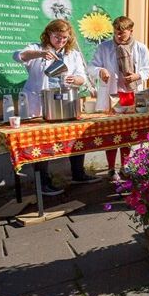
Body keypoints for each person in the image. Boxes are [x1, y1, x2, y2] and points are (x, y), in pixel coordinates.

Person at [14, 20, 99, 194]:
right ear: (48, 34)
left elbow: (81, 77)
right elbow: (18, 55)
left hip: (65, 102)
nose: (61, 40)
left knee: (75, 135)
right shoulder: (37, 49)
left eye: (65, 37)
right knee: (41, 140)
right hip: (39, 103)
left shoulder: (72, 54)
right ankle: (44, 182)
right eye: (57, 36)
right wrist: (39, 54)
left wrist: (75, 80)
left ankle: (78, 173)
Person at [89, 16, 149, 182]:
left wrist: (138, 75)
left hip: (129, 94)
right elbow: (91, 67)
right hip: (111, 93)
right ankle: (110, 168)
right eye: (116, 33)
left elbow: (147, 69)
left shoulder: (140, 48)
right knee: (111, 132)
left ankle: (125, 166)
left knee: (127, 131)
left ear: (131, 31)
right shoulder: (104, 47)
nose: (119, 37)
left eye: (122, 34)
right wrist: (100, 70)